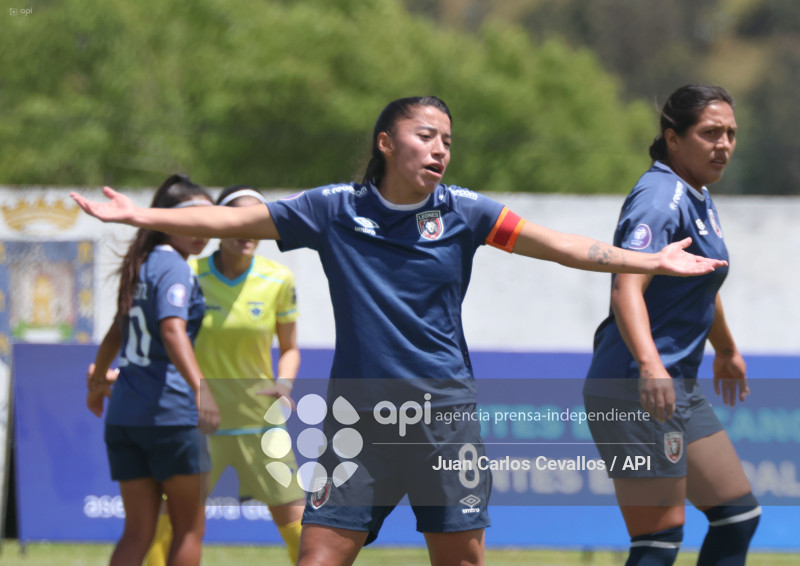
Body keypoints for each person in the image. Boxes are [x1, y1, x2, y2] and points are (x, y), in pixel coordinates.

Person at [72, 95, 727, 566]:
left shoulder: (466, 213)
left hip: (444, 416)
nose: (440, 147)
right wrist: (143, 217)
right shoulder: (334, 210)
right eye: (425, 134)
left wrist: (650, 260)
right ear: (386, 142)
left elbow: (561, 245)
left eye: (447, 139)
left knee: (461, 559)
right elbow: (240, 224)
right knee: (318, 555)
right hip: (360, 422)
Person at [583, 84, 760, 565]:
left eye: (730, 133)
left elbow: (704, 282)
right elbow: (626, 287)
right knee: (659, 540)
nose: (723, 144)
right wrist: (649, 366)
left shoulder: (696, 194)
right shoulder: (660, 196)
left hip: (675, 383)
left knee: (738, 514)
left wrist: (725, 350)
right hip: (636, 385)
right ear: (673, 139)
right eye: (709, 133)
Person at [144, 185, 305, 566]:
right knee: (166, 534)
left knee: (302, 533)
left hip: (262, 424)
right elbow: (161, 337)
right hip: (199, 422)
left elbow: (291, 348)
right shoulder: (187, 272)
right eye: (236, 220)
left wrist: (284, 383)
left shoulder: (278, 279)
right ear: (216, 224)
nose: (246, 231)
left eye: (256, 222)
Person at [85, 174, 220, 566]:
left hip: (125, 416)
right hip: (171, 415)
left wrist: (96, 383)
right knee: (189, 529)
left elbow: (115, 332)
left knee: (137, 532)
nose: (201, 229)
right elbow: (171, 329)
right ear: (165, 221)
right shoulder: (175, 267)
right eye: (190, 219)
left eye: (207, 219)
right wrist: (203, 390)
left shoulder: (139, 265)